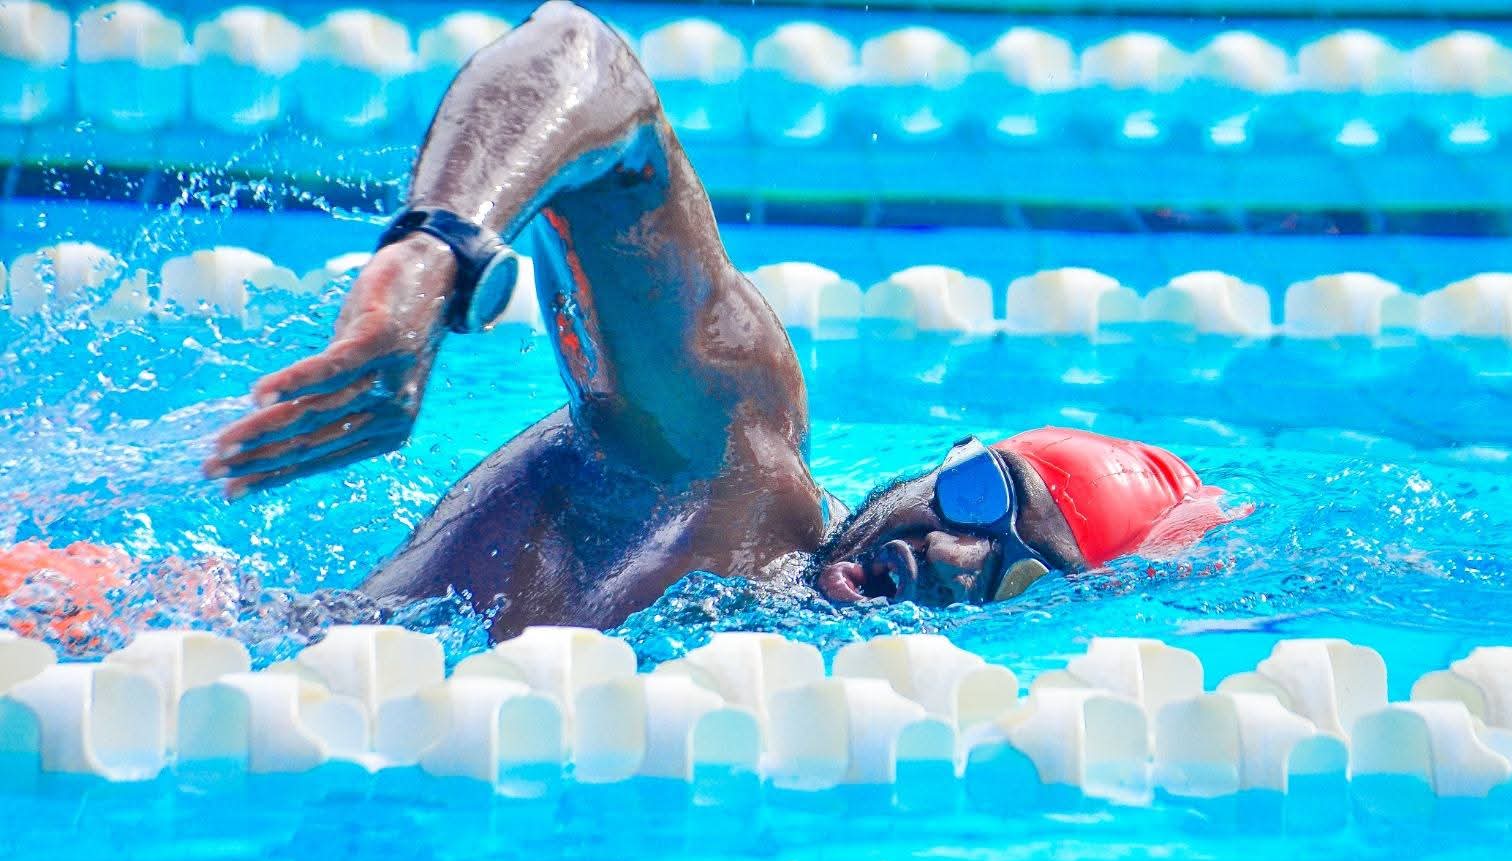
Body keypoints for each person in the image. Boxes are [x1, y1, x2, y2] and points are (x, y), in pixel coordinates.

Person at [203, 1, 1227, 640]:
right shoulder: (723, 457)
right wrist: (432, 256)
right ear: (940, 460)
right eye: (974, 496)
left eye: (1012, 576)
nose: (952, 559)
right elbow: (583, 56)